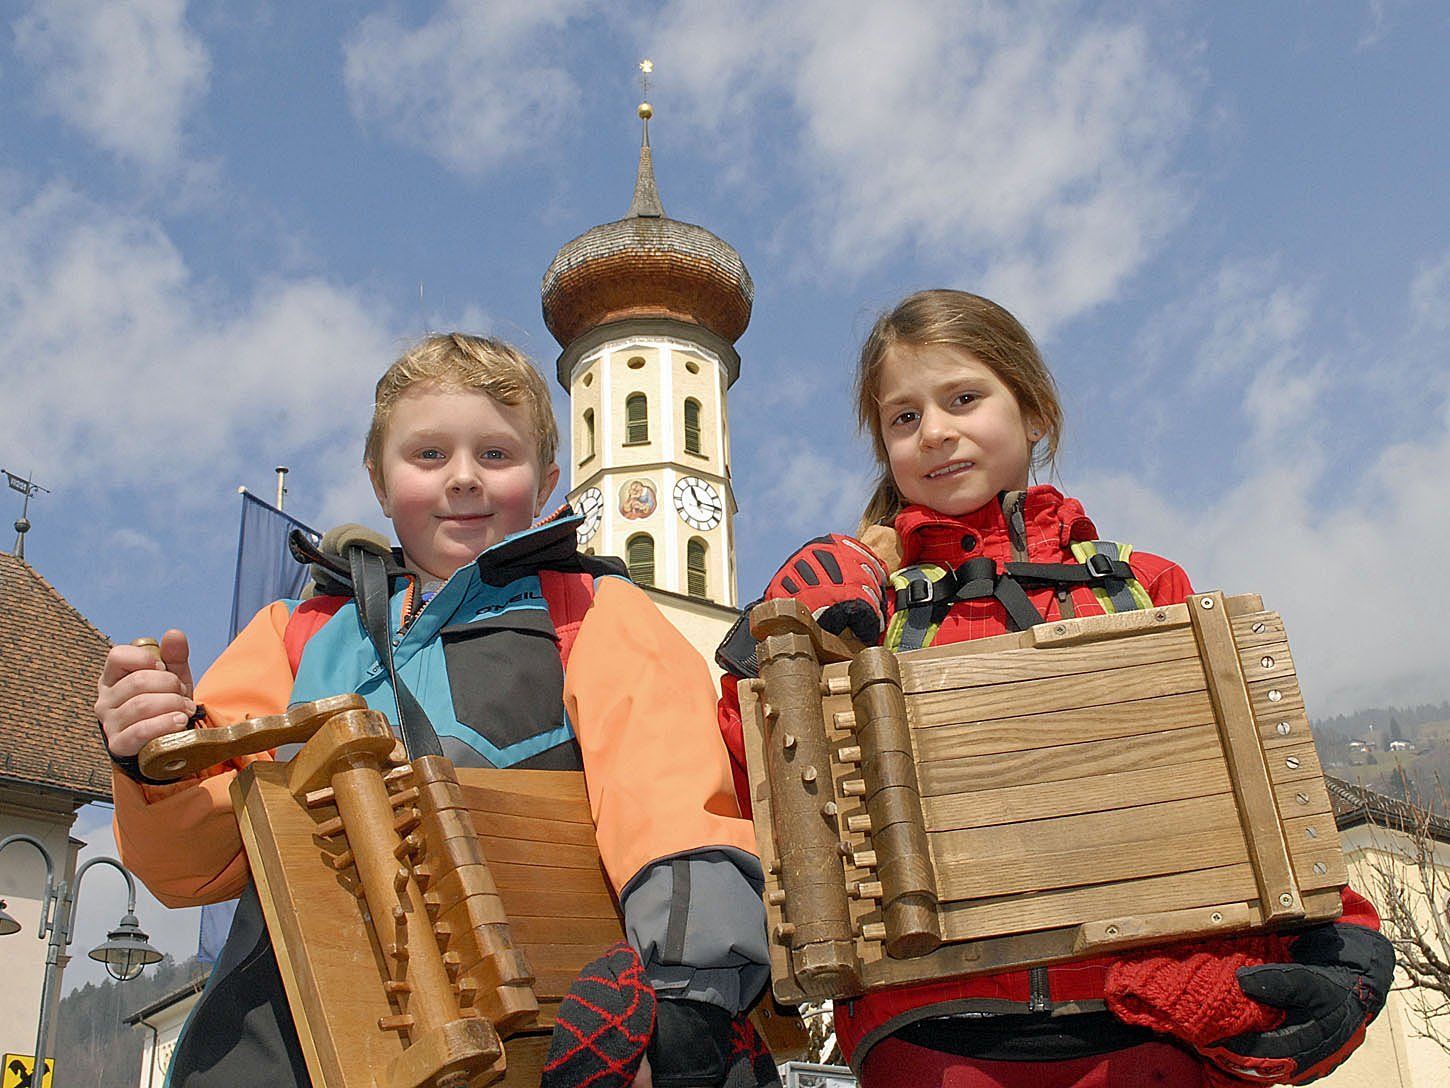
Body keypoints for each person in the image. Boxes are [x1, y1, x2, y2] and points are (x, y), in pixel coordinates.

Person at [716, 290, 1393, 1087]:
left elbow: (1248, 787)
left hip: (1151, 1028)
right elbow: (765, 793)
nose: (934, 430)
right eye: (903, 419)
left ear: (1034, 412)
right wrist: (774, 646)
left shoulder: (1146, 585)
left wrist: (1343, 943)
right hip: (935, 1036)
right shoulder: (869, 613)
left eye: (963, 398)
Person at [96, 333, 773, 1088]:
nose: (462, 479)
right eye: (427, 456)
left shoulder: (588, 611)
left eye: (494, 455)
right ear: (379, 483)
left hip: (514, 1039)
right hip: (282, 1042)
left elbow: (673, 805)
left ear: (548, 482)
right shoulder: (296, 633)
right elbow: (190, 869)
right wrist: (148, 758)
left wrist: (683, 1010)